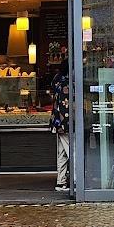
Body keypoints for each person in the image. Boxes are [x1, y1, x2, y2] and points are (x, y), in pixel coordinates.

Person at [48, 56, 70, 193]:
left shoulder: (56, 80)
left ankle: (61, 181)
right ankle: (77, 180)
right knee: (71, 151)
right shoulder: (68, 83)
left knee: (62, 152)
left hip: (57, 121)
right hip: (66, 122)